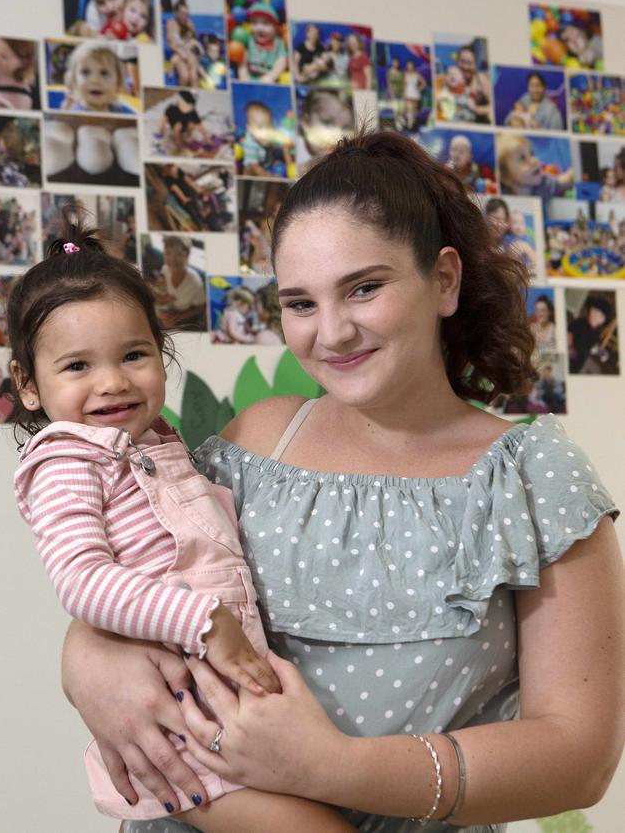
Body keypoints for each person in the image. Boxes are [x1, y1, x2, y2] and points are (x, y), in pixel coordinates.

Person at [61, 132, 623, 832]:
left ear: (443, 280)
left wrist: (325, 764)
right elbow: (135, 578)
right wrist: (83, 657)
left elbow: (580, 756)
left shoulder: (534, 478)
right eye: (300, 303)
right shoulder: (258, 440)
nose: (333, 332)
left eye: (364, 287)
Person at [7, 215, 357, 832]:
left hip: (223, 711)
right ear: (27, 386)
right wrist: (206, 622)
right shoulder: (66, 457)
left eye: (134, 355)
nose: (112, 381)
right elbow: (81, 581)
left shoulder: (157, 447)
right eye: (77, 367)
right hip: (183, 730)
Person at [150, 235, 206, 330]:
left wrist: (178, 317)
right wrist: (161, 300)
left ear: (187, 257)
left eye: (179, 254)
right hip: (165, 311)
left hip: (183, 317)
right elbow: (158, 288)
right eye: (168, 253)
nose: (172, 259)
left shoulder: (195, 282)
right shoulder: (165, 268)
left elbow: (200, 308)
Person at [497, 133, 574, 197]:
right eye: (522, 158)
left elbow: (565, 180)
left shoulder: (544, 184)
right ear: (506, 178)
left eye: (532, 153)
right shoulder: (502, 193)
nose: (534, 161)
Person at [62, 41, 125, 113]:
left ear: (118, 82)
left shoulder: (117, 111)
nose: (95, 80)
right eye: (85, 72)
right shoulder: (74, 114)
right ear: (74, 81)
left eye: (104, 73)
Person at [238, 2, 288, 84]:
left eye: (266, 23)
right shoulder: (248, 40)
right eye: (254, 23)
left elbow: (281, 61)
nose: (259, 28)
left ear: (276, 28)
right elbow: (242, 64)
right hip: (250, 79)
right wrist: (244, 79)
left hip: (270, 81)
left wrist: (271, 76)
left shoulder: (278, 43)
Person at [403, 60, 425, 130]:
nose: (409, 67)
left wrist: (419, 88)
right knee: (409, 109)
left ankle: (413, 124)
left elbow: (423, 83)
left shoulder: (416, 74)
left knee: (414, 111)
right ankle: (409, 125)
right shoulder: (405, 74)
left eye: (411, 65)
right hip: (408, 94)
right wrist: (404, 94)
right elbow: (404, 85)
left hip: (415, 94)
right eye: (408, 65)